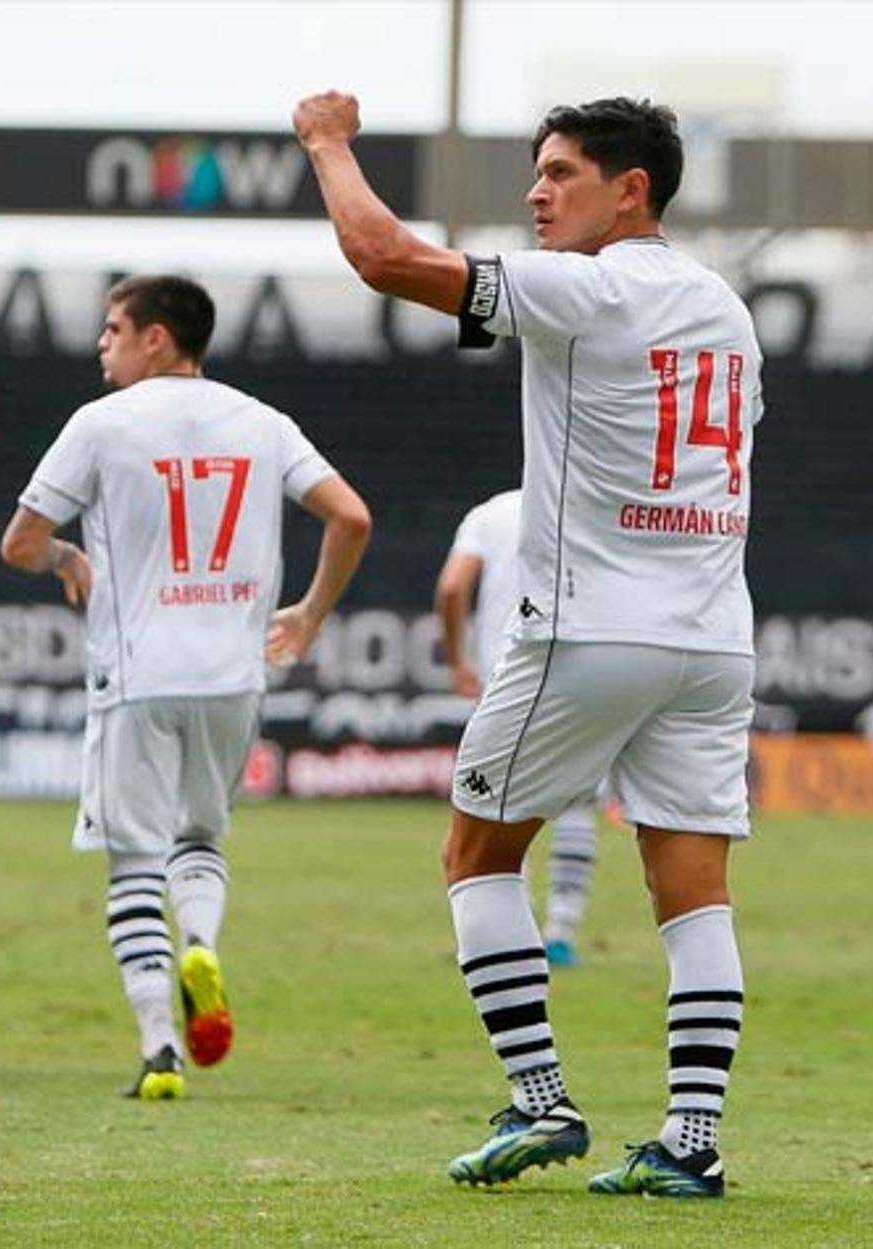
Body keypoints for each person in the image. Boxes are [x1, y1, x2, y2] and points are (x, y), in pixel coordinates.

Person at [297, 92, 762, 1198]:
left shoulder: (588, 288)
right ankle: (691, 1144)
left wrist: (328, 142)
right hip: (713, 637)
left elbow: (383, 256)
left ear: (631, 189)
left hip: (594, 626)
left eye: (559, 174)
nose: (536, 193)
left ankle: (541, 1099)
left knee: (474, 854)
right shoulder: (726, 309)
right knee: (692, 893)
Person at [0, 274, 372, 1100]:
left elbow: (20, 542)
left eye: (113, 329)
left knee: (134, 863)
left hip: (137, 677)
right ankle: (200, 940)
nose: (104, 344)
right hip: (233, 676)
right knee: (200, 839)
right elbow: (352, 516)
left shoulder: (99, 424)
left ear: (156, 339)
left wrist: (66, 557)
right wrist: (308, 615)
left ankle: (160, 1048)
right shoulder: (264, 422)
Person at [436, 489, 601, 968]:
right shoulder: (590, 504)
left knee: (499, 805)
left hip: (506, 675)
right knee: (576, 802)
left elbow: (451, 588)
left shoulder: (490, 514)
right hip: (581, 669)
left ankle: (513, 928)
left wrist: (457, 661)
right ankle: (563, 932)